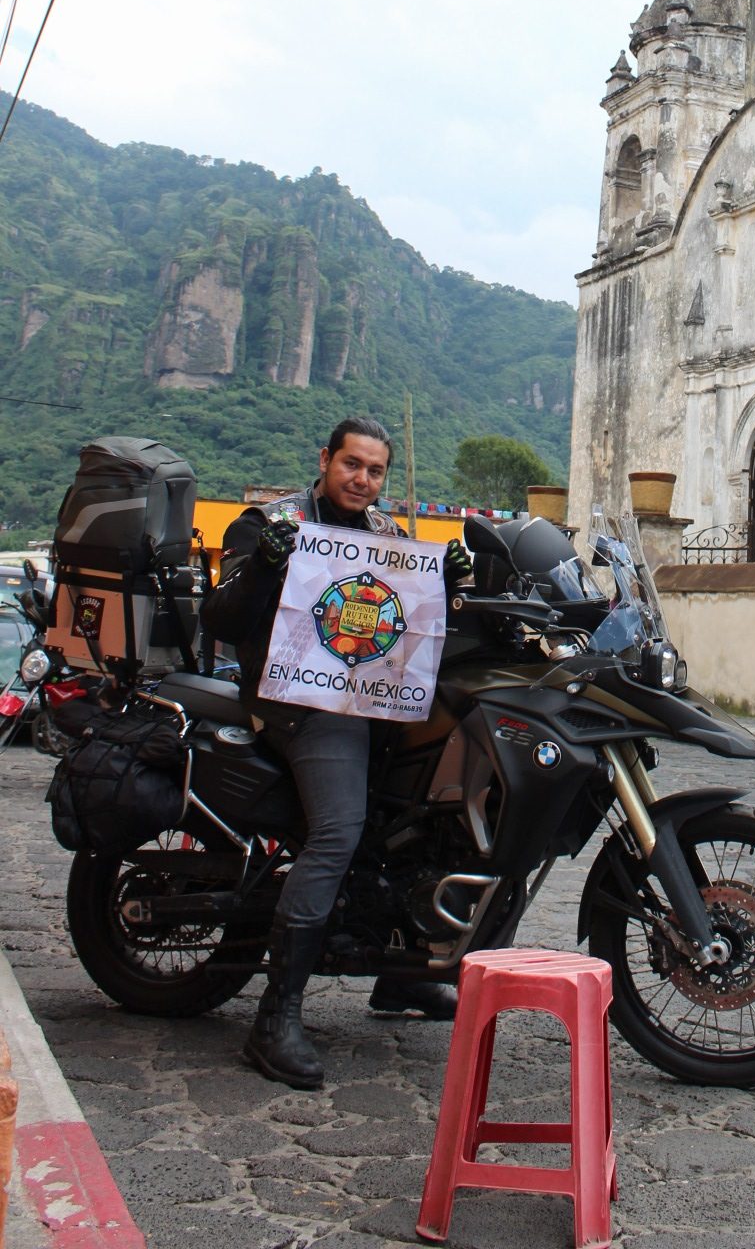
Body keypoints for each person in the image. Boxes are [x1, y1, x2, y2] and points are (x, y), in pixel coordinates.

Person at [203, 416, 473, 1090]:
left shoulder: (388, 536)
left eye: (375, 471)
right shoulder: (273, 521)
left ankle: (399, 977)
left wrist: (456, 579)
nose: (362, 480)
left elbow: (410, 616)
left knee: (421, 809)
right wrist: (266, 562)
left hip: (368, 701)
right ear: (324, 459)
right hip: (296, 701)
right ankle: (274, 1018)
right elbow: (221, 617)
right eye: (352, 464)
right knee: (339, 832)